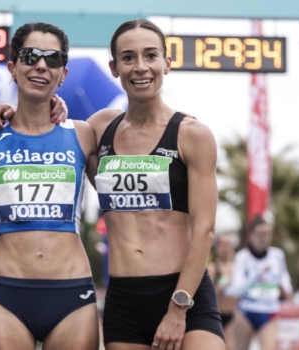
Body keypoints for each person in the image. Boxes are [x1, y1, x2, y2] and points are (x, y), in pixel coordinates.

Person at [83, 19, 224, 350]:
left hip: (184, 294)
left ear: (167, 62)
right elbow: (42, 129)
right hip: (125, 300)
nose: (140, 67)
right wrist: (6, 110)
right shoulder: (99, 127)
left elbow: (204, 229)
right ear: (114, 67)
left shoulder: (192, 134)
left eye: (150, 55)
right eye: (128, 58)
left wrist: (179, 307)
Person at [0, 22, 100, 349]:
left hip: (72, 293)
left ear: (62, 73)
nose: (41, 65)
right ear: (12, 67)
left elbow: (128, 202)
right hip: (8, 293)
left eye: (52, 59)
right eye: (30, 56)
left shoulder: (83, 134)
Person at [225, 216, 292, 350]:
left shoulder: (277, 255)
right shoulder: (242, 257)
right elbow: (234, 290)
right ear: (251, 236)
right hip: (246, 312)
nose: (264, 238)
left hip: (269, 311)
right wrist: (256, 276)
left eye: (267, 234)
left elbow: (286, 282)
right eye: (260, 234)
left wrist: (287, 293)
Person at [208, 234, 238, 350]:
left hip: (232, 316)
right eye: (223, 245)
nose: (225, 248)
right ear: (217, 248)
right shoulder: (212, 268)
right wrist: (219, 288)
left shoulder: (237, 269)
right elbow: (207, 295)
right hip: (216, 316)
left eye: (228, 245)